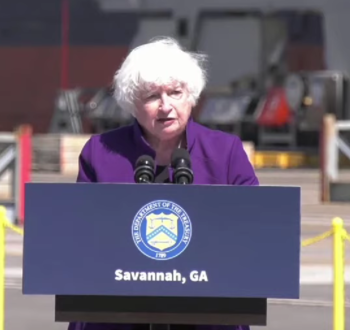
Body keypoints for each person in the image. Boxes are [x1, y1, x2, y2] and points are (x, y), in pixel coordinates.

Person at [69, 37, 259, 330]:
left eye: (175, 93)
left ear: (191, 96)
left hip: (211, 315)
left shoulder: (226, 152)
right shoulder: (100, 152)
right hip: (115, 317)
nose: (165, 107)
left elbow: (254, 230)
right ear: (133, 103)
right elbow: (79, 237)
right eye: (151, 97)